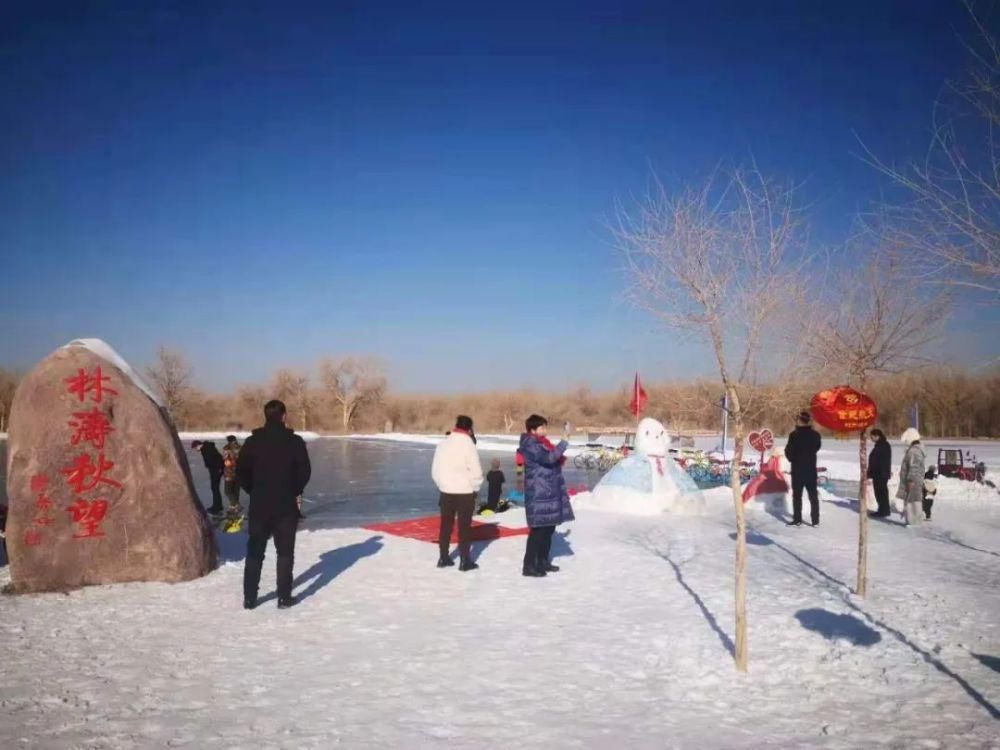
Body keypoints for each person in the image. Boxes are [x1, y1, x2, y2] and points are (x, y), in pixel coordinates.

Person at [237, 400, 312, 609]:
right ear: (284, 416)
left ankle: (250, 598)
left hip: (260, 505)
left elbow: (241, 471)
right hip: (285, 506)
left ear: (265, 416)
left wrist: (253, 490)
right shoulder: (295, 442)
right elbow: (304, 471)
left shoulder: (253, 442)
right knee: (285, 553)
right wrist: (292, 490)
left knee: (254, 552)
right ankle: (283, 597)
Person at [519, 414, 574, 577]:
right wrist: (564, 442)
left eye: (545, 426)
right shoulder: (530, 444)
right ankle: (529, 566)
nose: (545, 430)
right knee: (538, 531)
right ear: (533, 430)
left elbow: (553, 458)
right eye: (542, 427)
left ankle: (542, 561)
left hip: (548, 492)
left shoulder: (542, 443)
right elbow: (549, 458)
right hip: (539, 493)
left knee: (549, 528)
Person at [431, 415, 483, 571]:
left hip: (446, 492)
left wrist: (442, 484)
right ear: (469, 429)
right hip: (465, 492)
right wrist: (475, 488)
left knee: (445, 525)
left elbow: (435, 470)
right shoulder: (468, 445)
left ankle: (443, 557)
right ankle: (465, 560)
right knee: (464, 527)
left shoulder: (443, 444)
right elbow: (477, 471)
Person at [783, 411, 822, 527]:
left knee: (797, 496)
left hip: (797, 470)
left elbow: (788, 451)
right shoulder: (816, 435)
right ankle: (815, 521)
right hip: (810, 470)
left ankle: (797, 520)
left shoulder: (794, 435)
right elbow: (817, 447)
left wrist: (793, 459)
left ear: (800, 420)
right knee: (813, 497)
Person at [896, 427, 926, 526]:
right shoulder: (914, 450)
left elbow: (914, 467)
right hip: (913, 482)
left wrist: (911, 480)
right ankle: (913, 521)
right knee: (912, 501)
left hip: (913, 483)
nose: (906, 443)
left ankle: (914, 524)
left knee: (913, 502)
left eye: (906, 441)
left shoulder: (914, 451)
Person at [192, 440, 225, 515]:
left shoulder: (207, 449)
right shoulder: (206, 448)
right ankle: (218, 506)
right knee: (215, 488)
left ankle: (216, 507)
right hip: (215, 470)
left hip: (216, 470)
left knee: (215, 488)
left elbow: (217, 459)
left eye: (195, 448)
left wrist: (219, 469)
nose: (195, 450)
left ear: (198, 445)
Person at [866, 428, 892, 518]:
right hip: (879, 473)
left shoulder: (883, 445)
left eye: (872, 436)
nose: (871, 438)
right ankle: (883, 510)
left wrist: (870, 473)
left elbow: (878, 461)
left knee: (881, 493)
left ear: (877, 436)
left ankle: (883, 511)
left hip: (881, 473)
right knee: (880, 493)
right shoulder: (880, 445)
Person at [222, 435, 242, 512]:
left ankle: (236, 504)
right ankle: (233, 506)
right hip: (239, 472)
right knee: (236, 490)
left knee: (227, 491)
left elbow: (226, 461)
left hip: (229, 473)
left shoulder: (227, 448)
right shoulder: (240, 447)